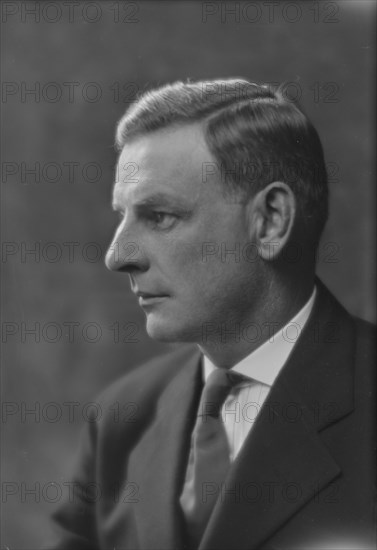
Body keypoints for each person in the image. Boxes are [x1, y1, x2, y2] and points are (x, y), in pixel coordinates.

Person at [49, 79, 375, 550]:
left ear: (270, 221)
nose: (118, 255)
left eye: (160, 216)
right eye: (122, 216)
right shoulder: (120, 419)